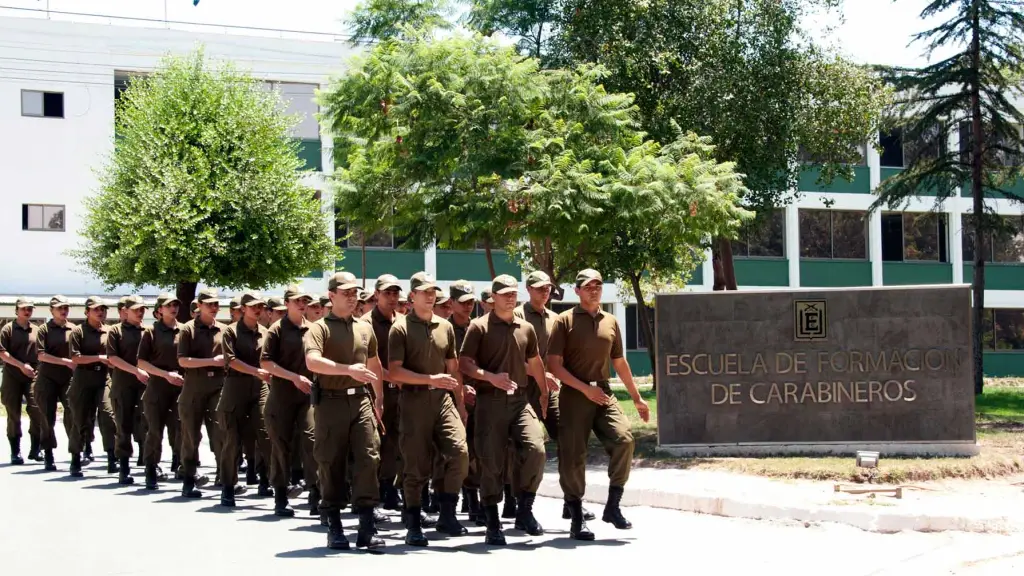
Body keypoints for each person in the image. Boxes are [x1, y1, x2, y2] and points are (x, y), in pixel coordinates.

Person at [546, 269, 650, 540]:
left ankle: (613, 506)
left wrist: (637, 397)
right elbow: (553, 365)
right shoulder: (564, 321)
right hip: (573, 393)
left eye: (598, 285)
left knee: (624, 439)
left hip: (603, 391)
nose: (594, 290)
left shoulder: (611, 321)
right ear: (577, 291)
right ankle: (577, 517)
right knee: (572, 456)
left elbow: (619, 362)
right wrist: (583, 389)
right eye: (587, 286)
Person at [459, 274, 549, 545]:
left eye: (513, 293)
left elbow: (534, 363)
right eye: (505, 294)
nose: (511, 298)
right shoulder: (479, 327)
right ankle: (492, 520)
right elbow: (464, 364)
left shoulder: (526, 327)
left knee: (536, 449)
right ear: (494, 297)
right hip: (490, 401)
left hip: (520, 401)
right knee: (492, 461)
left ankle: (525, 509)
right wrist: (489, 377)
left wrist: (544, 393)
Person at [304, 271, 385, 550]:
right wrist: (346, 370)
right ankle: (334, 526)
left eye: (355, 293)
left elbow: (374, 364)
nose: (352, 298)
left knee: (369, 457)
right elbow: (313, 362)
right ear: (332, 296)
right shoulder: (319, 328)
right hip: (331, 400)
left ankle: (366, 526)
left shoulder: (365, 327)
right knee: (331, 461)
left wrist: (379, 399)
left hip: (361, 400)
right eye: (346, 293)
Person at [387, 272, 469, 547]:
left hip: (444, 401)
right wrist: (429, 380)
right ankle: (412, 520)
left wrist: (459, 402)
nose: (430, 295)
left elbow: (453, 368)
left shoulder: (445, 327)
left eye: (433, 290)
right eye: (424, 291)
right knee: (416, 465)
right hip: (414, 401)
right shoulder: (399, 329)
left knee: (459, 453)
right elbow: (395, 372)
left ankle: (448, 512)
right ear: (412, 297)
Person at [513, 270, 596, 522]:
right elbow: (511, 359)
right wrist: (538, 374)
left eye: (548, 287)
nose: (544, 291)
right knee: (526, 447)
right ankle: (522, 505)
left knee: (569, 441)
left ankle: (571, 502)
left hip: (550, 391)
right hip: (521, 390)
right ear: (528, 289)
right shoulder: (516, 316)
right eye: (539, 288)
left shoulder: (556, 319)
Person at [260, 285, 317, 517]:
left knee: (312, 441)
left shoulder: (314, 329)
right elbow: (266, 363)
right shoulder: (276, 330)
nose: (302, 304)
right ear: (287, 303)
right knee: (281, 446)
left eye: (304, 300)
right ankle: (281, 496)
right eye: (297, 301)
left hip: (308, 396)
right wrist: (293, 377)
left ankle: (316, 493)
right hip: (282, 394)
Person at [359, 274, 409, 514]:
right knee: (374, 444)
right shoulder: (364, 324)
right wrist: (395, 378)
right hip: (374, 393)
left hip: (401, 393)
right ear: (376, 294)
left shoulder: (404, 321)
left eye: (395, 293)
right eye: (387, 293)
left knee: (398, 443)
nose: (392, 298)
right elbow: (371, 364)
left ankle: (391, 488)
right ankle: (372, 494)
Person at [218, 292, 273, 506]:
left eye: (260, 306)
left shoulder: (266, 333)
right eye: (253, 307)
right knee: (232, 439)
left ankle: (269, 481)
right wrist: (255, 371)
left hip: (259, 388)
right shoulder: (230, 332)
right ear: (243, 309)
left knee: (266, 434)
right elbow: (230, 360)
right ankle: (228, 487)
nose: (257, 310)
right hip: (235, 386)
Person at [177, 288, 227, 498]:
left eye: (216, 304)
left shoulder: (224, 330)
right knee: (191, 434)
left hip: (218, 385)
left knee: (220, 432)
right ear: (199, 306)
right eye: (209, 304)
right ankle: (189, 479)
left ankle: (225, 479)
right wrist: (210, 362)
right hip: (194, 385)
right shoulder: (188, 329)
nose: (214, 308)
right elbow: (182, 360)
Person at [137, 294, 184, 489]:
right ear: (159, 310)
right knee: (155, 430)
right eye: (169, 305)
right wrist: (165, 374)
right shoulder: (151, 331)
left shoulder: (185, 330)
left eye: (175, 305)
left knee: (181, 429)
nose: (173, 308)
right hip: (158, 385)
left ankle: (182, 465)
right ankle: (151, 469)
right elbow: (141, 362)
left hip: (181, 385)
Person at [105, 295, 150, 484]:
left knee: (147, 423)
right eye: (136, 310)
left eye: (142, 310)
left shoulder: (148, 331)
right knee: (123, 425)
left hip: (145, 383)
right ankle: (124, 467)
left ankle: (150, 465)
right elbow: (112, 359)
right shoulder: (116, 331)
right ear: (125, 311)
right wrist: (135, 371)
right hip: (123, 383)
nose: (140, 313)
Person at [448, 280, 482, 523]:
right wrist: (461, 389)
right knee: (457, 450)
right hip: (451, 397)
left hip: (479, 397)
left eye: (471, 301)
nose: (468, 306)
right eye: (463, 302)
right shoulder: (443, 329)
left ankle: (472, 498)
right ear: (451, 303)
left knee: (477, 449)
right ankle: (448, 500)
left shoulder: (478, 328)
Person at [67, 296, 111, 478]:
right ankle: (76, 458)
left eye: (103, 309)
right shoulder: (78, 332)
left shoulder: (110, 331)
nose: (100, 312)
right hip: (83, 378)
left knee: (108, 414)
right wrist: (98, 358)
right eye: (96, 309)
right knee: (80, 419)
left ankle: (113, 456)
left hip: (104, 377)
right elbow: (76, 358)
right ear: (87, 312)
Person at [32, 295, 76, 471]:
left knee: (73, 414)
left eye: (65, 307)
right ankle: (48, 454)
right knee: (47, 416)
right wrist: (65, 361)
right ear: (51, 311)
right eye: (59, 308)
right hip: (47, 377)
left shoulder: (74, 329)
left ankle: (76, 453)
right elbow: (41, 355)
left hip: (68, 378)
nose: (63, 310)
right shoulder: (44, 329)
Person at [0, 297, 42, 465]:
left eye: (30, 308)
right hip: (12, 375)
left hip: (32, 375)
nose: (27, 311)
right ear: (16, 310)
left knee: (37, 408)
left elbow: (42, 352)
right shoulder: (8, 329)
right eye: (24, 308)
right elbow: (2, 353)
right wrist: (21, 366)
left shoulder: (37, 330)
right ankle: (15, 451)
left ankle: (35, 447)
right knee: (14, 414)